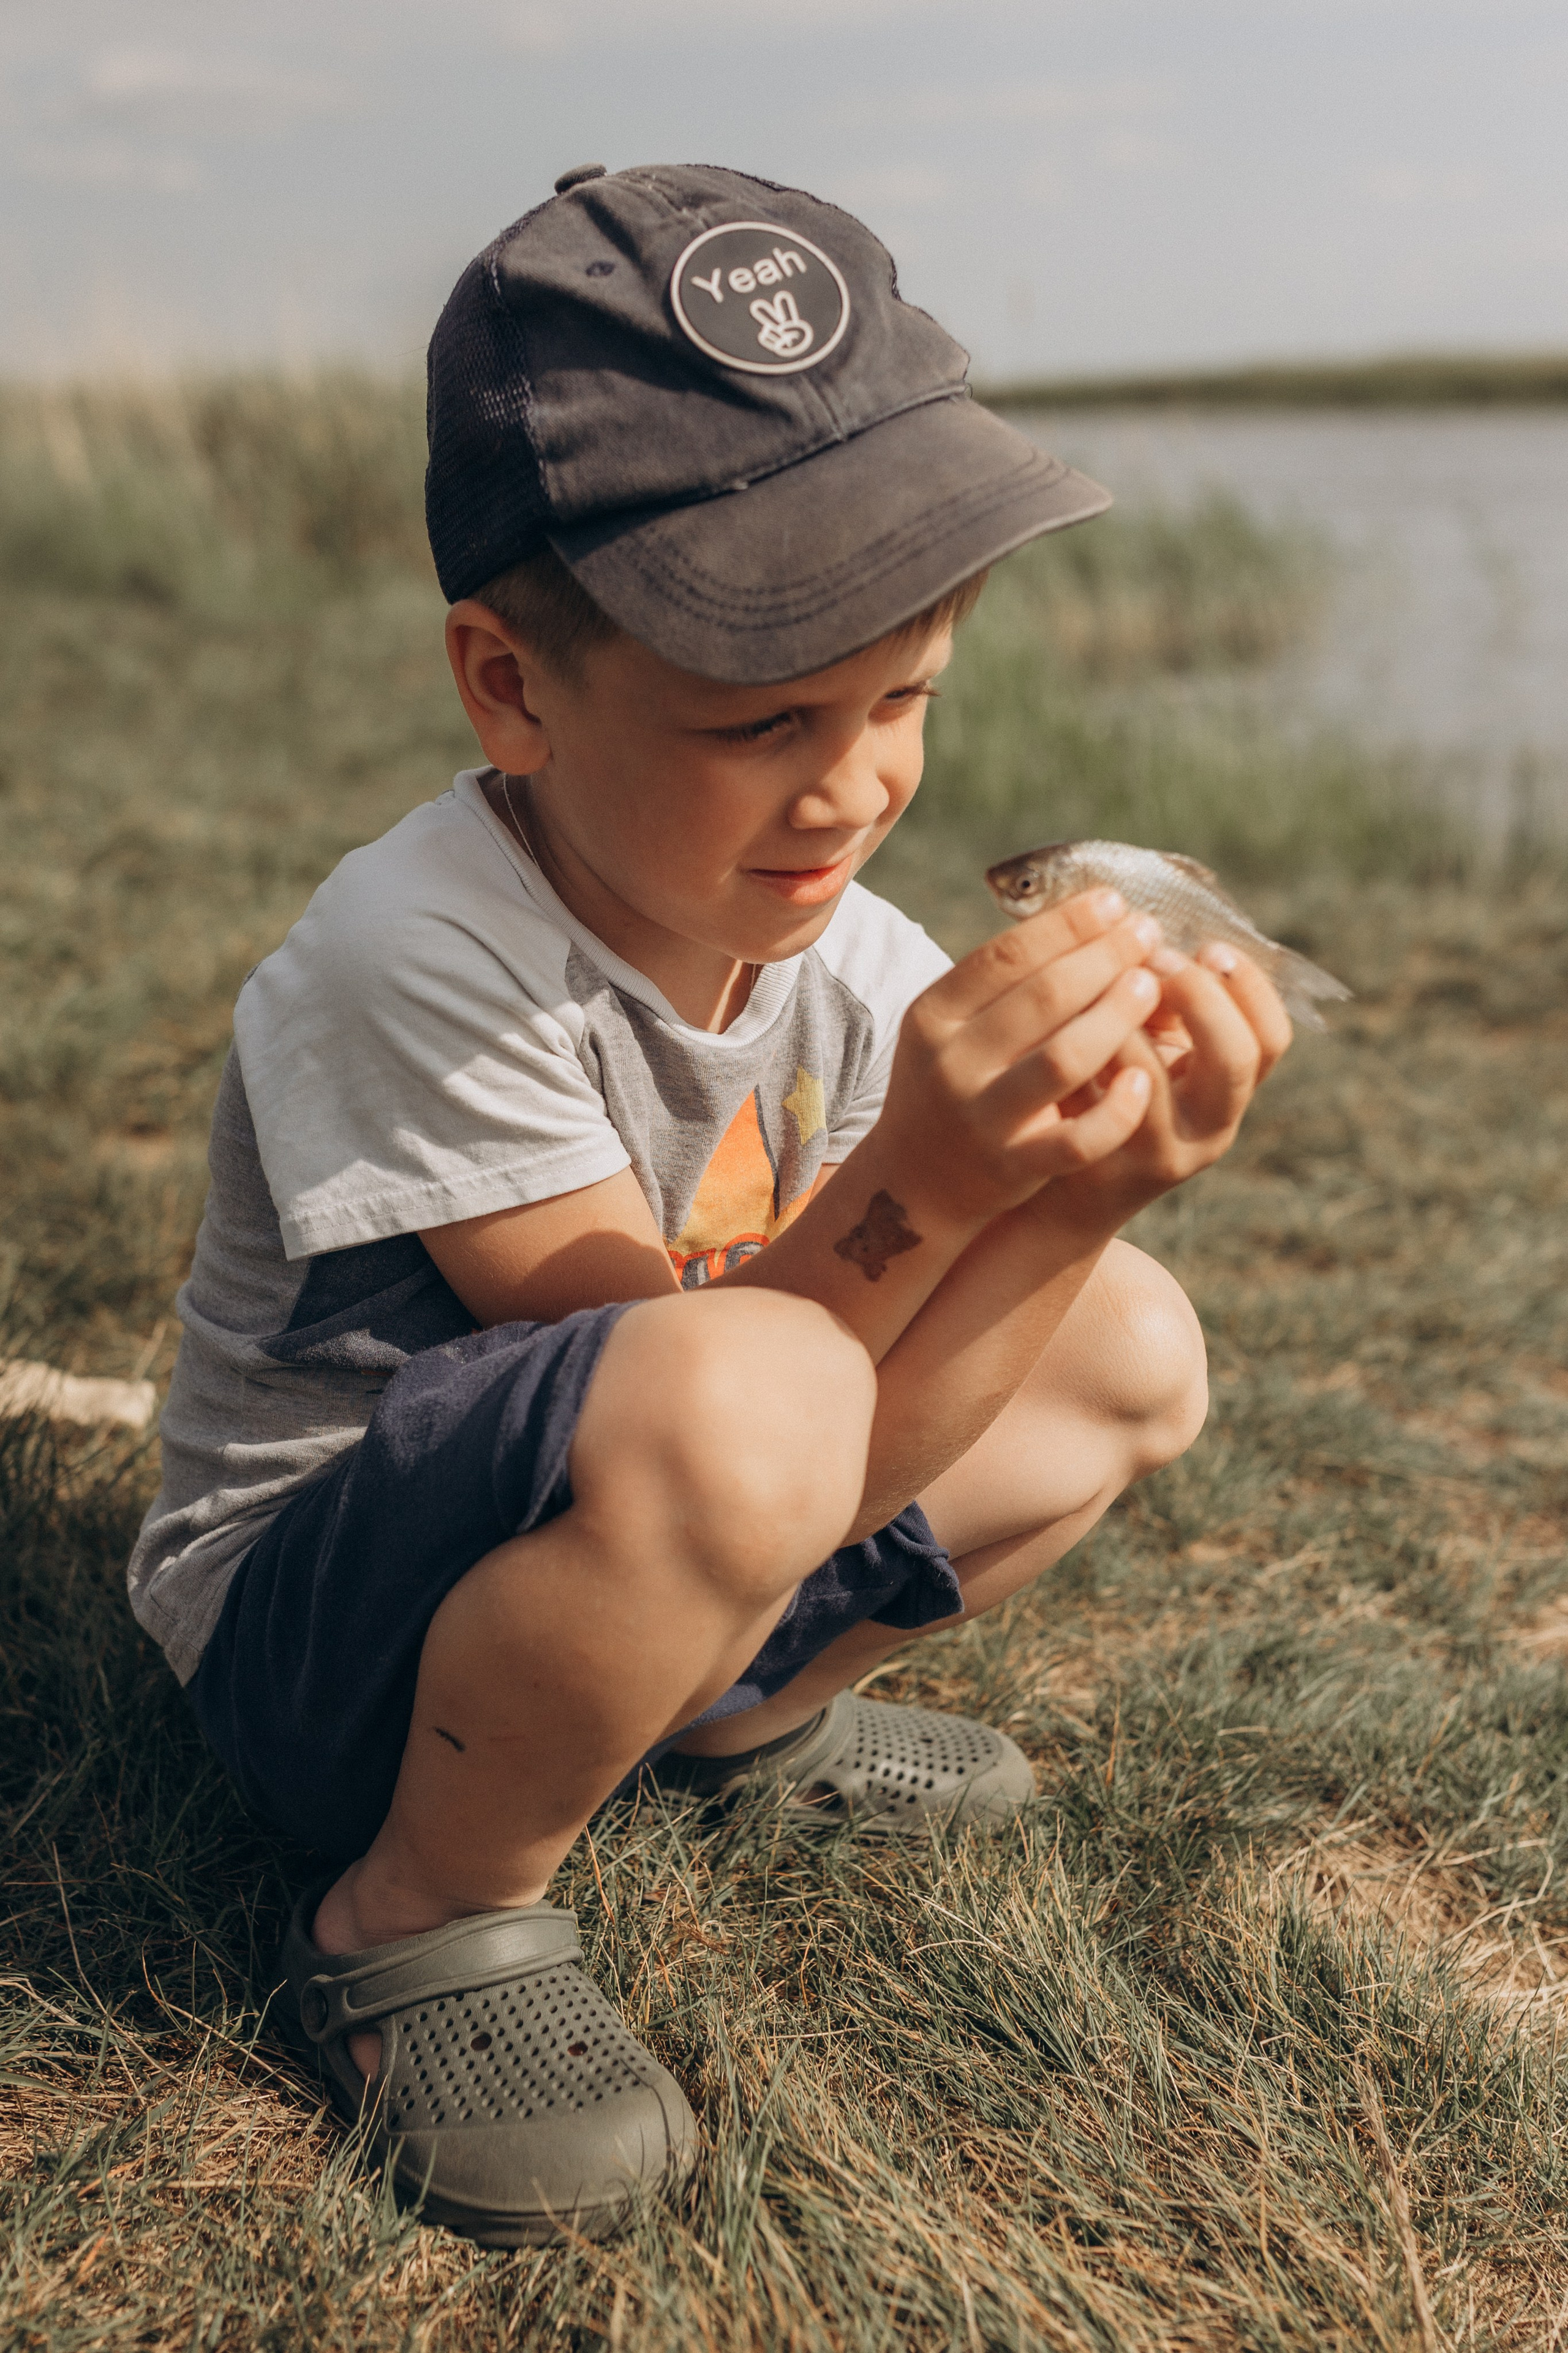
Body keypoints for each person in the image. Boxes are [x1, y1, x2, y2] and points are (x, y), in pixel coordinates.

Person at [127, 163, 1291, 2247]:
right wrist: (931, 1174)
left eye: (905, 698)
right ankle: (417, 1908)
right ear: (512, 685)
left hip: (661, 1526)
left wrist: (1060, 1209)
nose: (854, 787)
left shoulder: (840, 948)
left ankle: (733, 1712)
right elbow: (703, 1391)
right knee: (744, 1388)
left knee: (1132, 1346)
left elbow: (828, 1452)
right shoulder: (419, 953)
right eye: (767, 722)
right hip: (330, 1648)